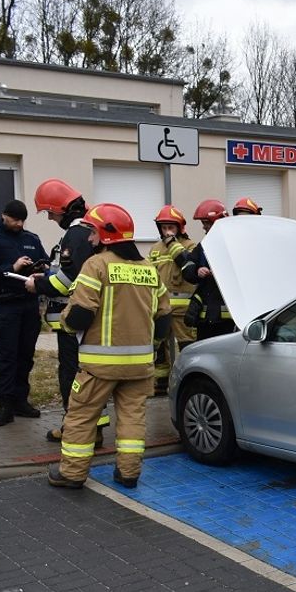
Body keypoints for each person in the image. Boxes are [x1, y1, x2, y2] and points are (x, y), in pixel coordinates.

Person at [48, 203, 171, 489]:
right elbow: (163, 319)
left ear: (105, 235)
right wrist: (149, 345)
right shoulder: (149, 269)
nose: (89, 239)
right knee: (132, 420)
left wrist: (65, 323)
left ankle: (72, 474)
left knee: (81, 417)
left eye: (92, 232)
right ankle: (129, 473)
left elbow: (79, 315)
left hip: (98, 366)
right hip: (140, 366)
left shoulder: (96, 265)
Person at [28, 179, 111, 443]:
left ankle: (77, 430)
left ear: (63, 208)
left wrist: (38, 283)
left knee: (73, 375)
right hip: (84, 319)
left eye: (51, 212)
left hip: (73, 322)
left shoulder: (76, 233)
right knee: (85, 375)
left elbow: (69, 280)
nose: (51, 218)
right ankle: (90, 428)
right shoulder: (87, 230)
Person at [0, 200, 49, 427]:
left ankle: (20, 400)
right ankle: (4, 404)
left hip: (29, 304)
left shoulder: (31, 239)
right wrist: (12, 267)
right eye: (15, 220)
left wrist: (41, 269)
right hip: (5, 305)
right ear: (4, 216)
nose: (19, 224)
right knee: (6, 357)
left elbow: (44, 260)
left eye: (22, 220)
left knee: (25, 355)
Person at [147, 204, 197, 396]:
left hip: (183, 311)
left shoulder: (190, 246)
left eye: (171, 227)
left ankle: (189, 383)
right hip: (160, 307)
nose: (167, 231)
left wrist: (172, 243)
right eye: (163, 227)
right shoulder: (155, 249)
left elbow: (186, 264)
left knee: (187, 347)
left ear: (180, 227)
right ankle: (160, 383)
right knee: (158, 347)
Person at [178, 199, 235, 341]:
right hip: (205, 320)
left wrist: (225, 273)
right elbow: (186, 266)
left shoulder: (235, 245)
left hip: (229, 322)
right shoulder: (204, 246)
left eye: (207, 223)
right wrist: (197, 270)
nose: (204, 227)